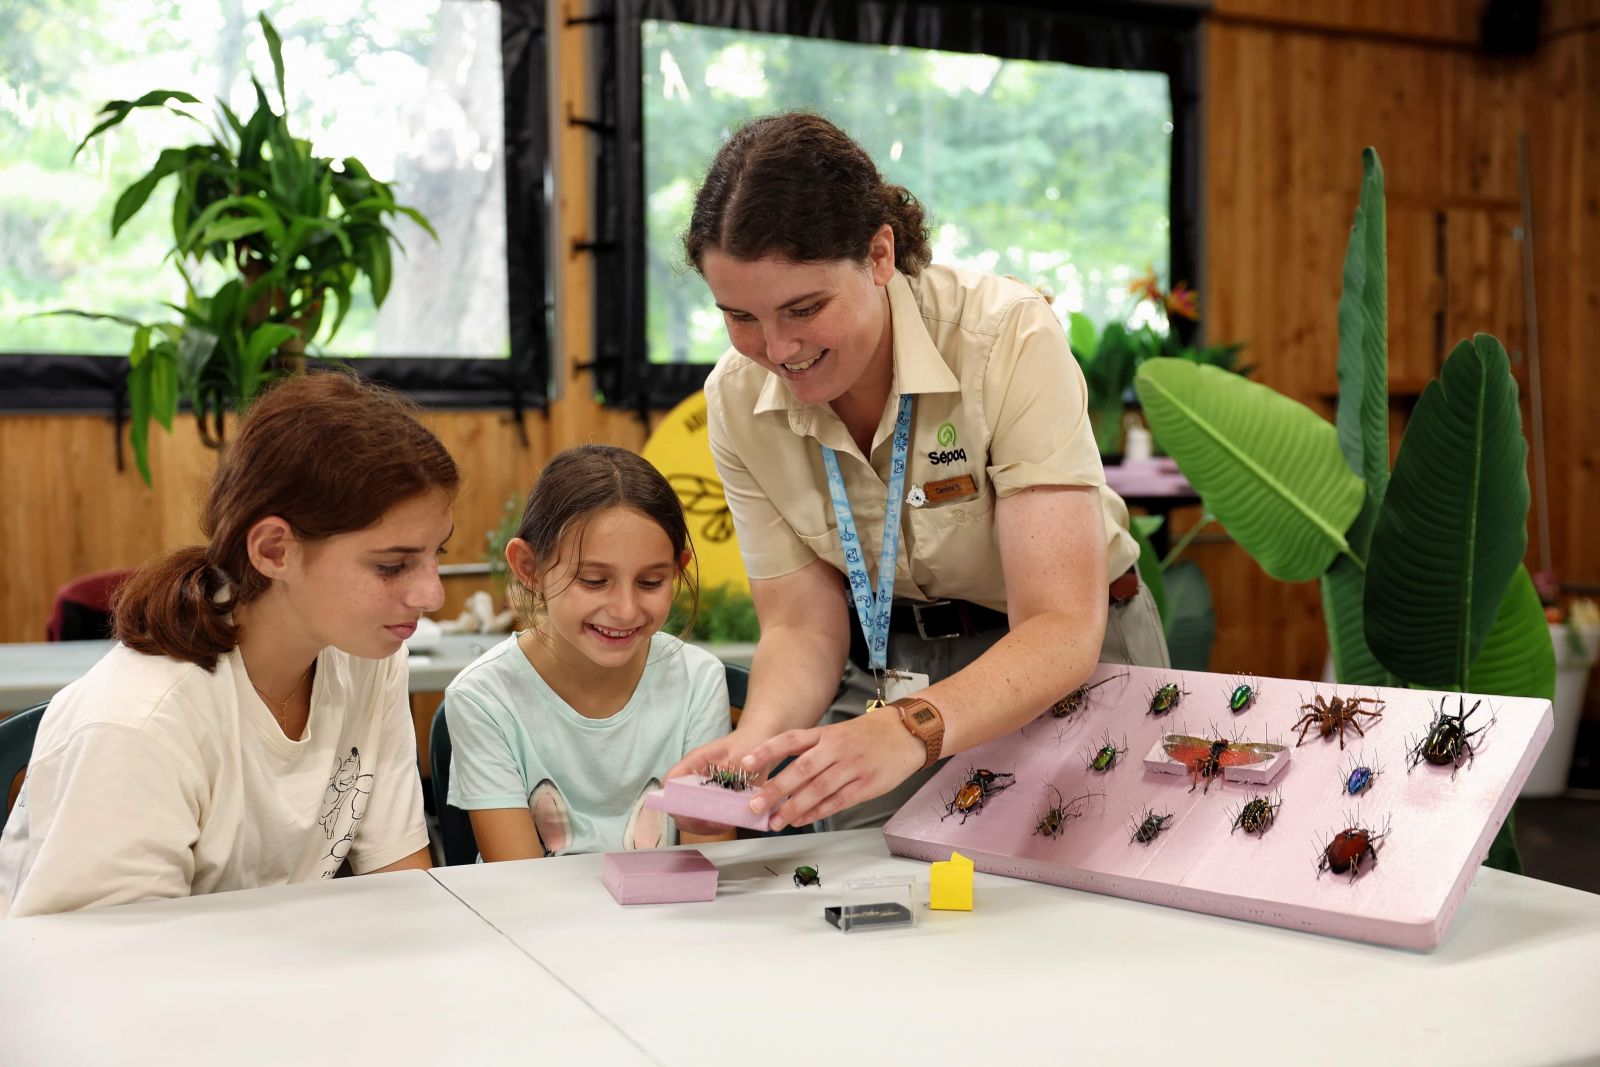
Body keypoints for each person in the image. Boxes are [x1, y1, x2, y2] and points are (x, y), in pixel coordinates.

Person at [668, 112, 1170, 833]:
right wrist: (753, 747)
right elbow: (802, 626)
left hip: (1069, 656)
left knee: (1076, 906)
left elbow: (1060, 621)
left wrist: (910, 729)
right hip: (894, 662)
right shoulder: (735, 399)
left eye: (804, 308)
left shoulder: (1007, 336)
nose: (777, 348)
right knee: (859, 896)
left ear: (879, 255)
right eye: (740, 316)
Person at [0, 373, 457, 918]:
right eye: (392, 565)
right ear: (273, 550)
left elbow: (401, 888)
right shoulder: (140, 722)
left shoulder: (369, 658)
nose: (433, 593)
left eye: (437, 555)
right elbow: (109, 972)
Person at [446, 445, 734, 859]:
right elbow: (516, 885)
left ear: (677, 570)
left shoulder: (698, 679)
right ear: (529, 568)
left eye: (651, 582)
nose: (625, 610)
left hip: (671, 920)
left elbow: (708, 862)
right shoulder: (483, 698)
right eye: (595, 581)